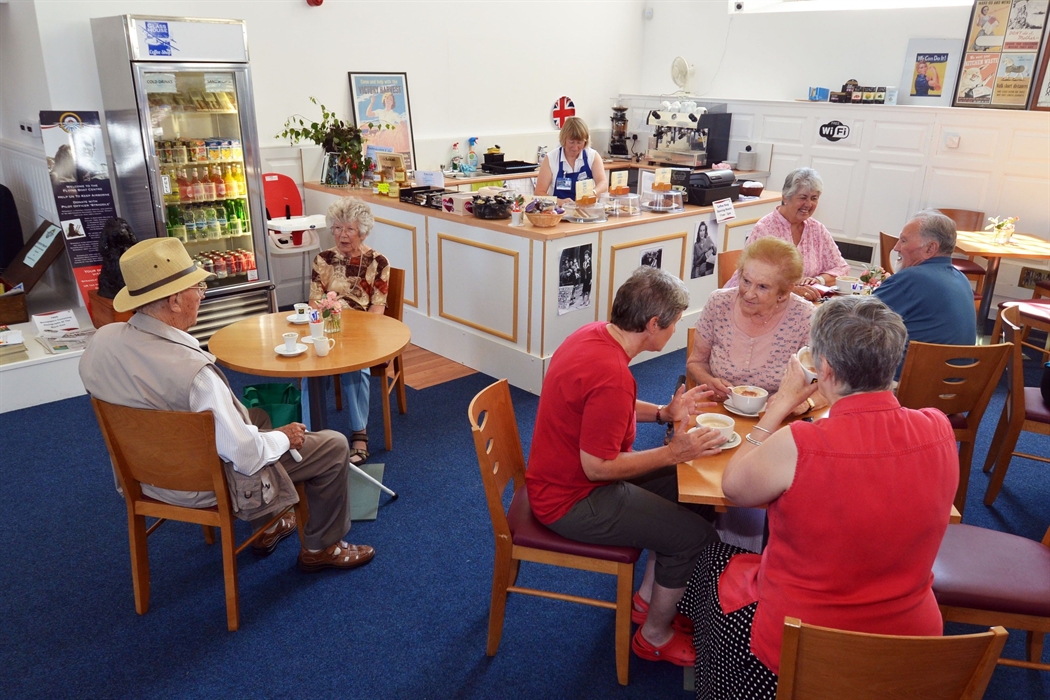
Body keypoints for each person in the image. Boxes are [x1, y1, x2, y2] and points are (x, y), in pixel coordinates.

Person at [680, 295, 958, 699]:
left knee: (711, 558)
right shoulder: (938, 426)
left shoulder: (800, 443)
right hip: (909, 647)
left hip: (803, 646)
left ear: (823, 368)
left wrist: (779, 406)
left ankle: (719, 681)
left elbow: (735, 487)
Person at [80, 238, 373, 572]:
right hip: (208, 483)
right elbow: (246, 457)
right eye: (198, 287)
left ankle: (271, 527)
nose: (202, 295)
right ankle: (323, 548)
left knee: (256, 417)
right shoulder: (197, 376)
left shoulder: (101, 343)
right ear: (175, 301)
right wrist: (284, 437)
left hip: (143, 475)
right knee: (333, 445)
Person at [526, 266, 725, 668]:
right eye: (673, 326)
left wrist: (665, 414)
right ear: (653, 324)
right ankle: (653, 636)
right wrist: (672, 453)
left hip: (562, 479)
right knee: (694, 535)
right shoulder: (613, 373)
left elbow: (604, 405)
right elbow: (598, 467)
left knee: (694, 488)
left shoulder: (593, 334)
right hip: (572, 499)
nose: (673, 334)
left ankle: (647, 599)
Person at [303, 196, 390, 466]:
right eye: (337, 228)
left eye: (349, 229)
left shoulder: (378, 262)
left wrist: (360, 333)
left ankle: (359, 434)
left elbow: (377, 309)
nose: (342, 235)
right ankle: (308, 434)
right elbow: (314, 302)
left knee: (355, 367)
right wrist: (325, 323)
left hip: (362, 331)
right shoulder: (323, 259)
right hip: (328, 327)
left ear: (362, 231)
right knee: (308, 366)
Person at [688, 238, 818, 414]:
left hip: (777, 416)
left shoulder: (806, 317)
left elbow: (827, 384)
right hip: (719, 410)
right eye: (746, 281)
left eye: (762, 287)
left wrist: (805, 403)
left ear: (784, 292)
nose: (748, 294)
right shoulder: (719, 303)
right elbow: (696, 362)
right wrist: (708, 380)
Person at [724, 168, 850, 302]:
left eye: (814, 198)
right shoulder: (765, 229)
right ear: (785, 197)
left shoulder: (817, 229)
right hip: (762, 304)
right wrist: (792, 290)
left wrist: (818, 280)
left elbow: (842, 268)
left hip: (807, 304)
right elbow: (751, 278)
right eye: (803, 197)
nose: (808, 204)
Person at [873, 209, 977, 350]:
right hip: (958, 371)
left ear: (930, 249)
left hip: (911, 370)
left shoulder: (911, 278)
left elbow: (856, 319)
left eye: (903, 241)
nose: (896, 247)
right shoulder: (961, 279)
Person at [534, 116, 608, 202]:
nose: (575, 147)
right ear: (564, 139)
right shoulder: (551, 158)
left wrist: (593, 192)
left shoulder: (592, 156)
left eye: (579, 142)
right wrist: (560, 202)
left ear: (585, 141)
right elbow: (539, 193)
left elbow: (603, 183)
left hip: (586, 210)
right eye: (571, 142)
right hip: (559, 212)